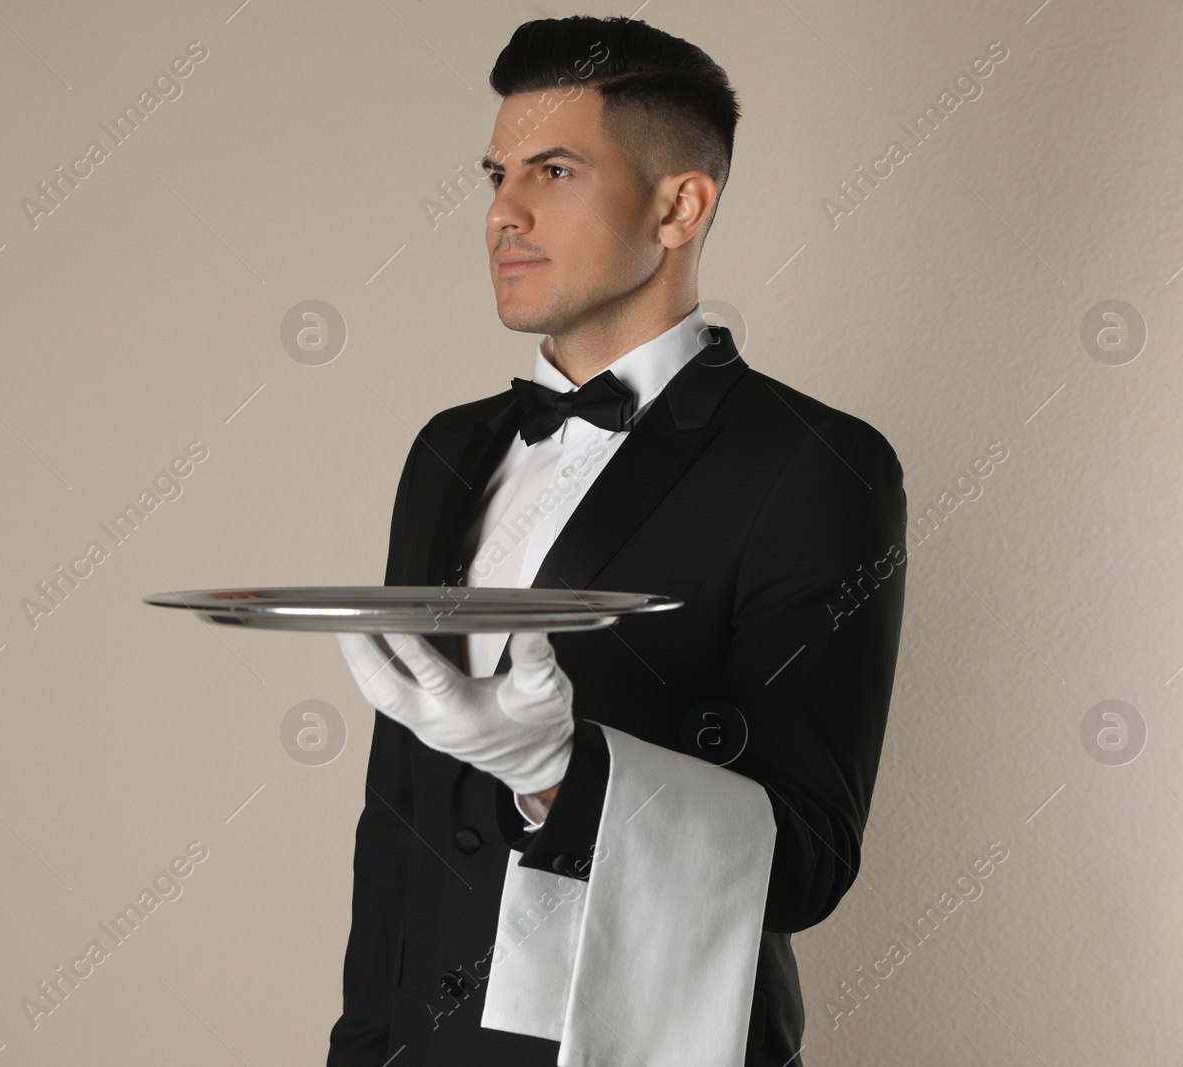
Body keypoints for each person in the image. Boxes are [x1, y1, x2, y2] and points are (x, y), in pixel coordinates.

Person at [329, 15, 907, 1066]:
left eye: (552, 171)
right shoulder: (447, 449)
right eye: (496, 173)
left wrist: (560, 770)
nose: (502, 211)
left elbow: (809, 858)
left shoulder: (815, 464)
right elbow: (395, 815)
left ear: (679, 202)